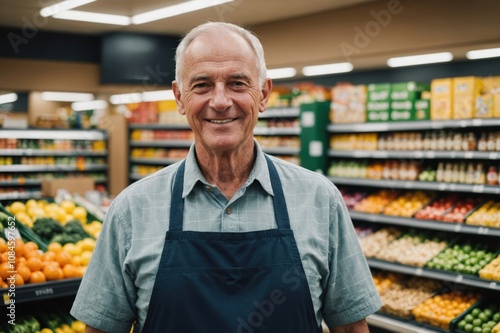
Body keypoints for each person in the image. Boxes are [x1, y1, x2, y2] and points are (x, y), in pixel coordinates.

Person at [70, 21, 382, 333]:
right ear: (180, 97)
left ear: (263, 94)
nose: (220, 101)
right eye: (202, 85)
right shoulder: (131, 210)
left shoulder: (320, 200)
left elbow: (351, 328)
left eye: (237, 83)